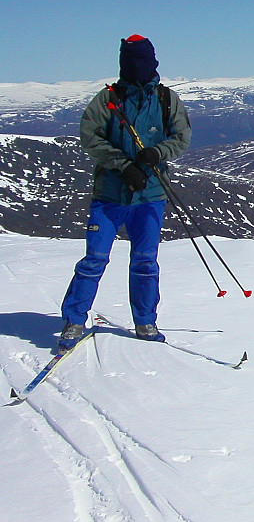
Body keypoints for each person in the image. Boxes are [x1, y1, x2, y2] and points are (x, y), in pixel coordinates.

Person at [57, 35, 192, 353]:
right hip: (110, 194)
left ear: (152, 62)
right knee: (95, 260)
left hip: (151, 194)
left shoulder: (166, 100)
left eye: (141, 61)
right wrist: (123, 164)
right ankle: (75, 319)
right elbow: (90, 138)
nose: (136, 67)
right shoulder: (107, 100)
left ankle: (145, 321)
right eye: (131, 61)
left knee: (145, 261)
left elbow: (181, 136)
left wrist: (157, 153)